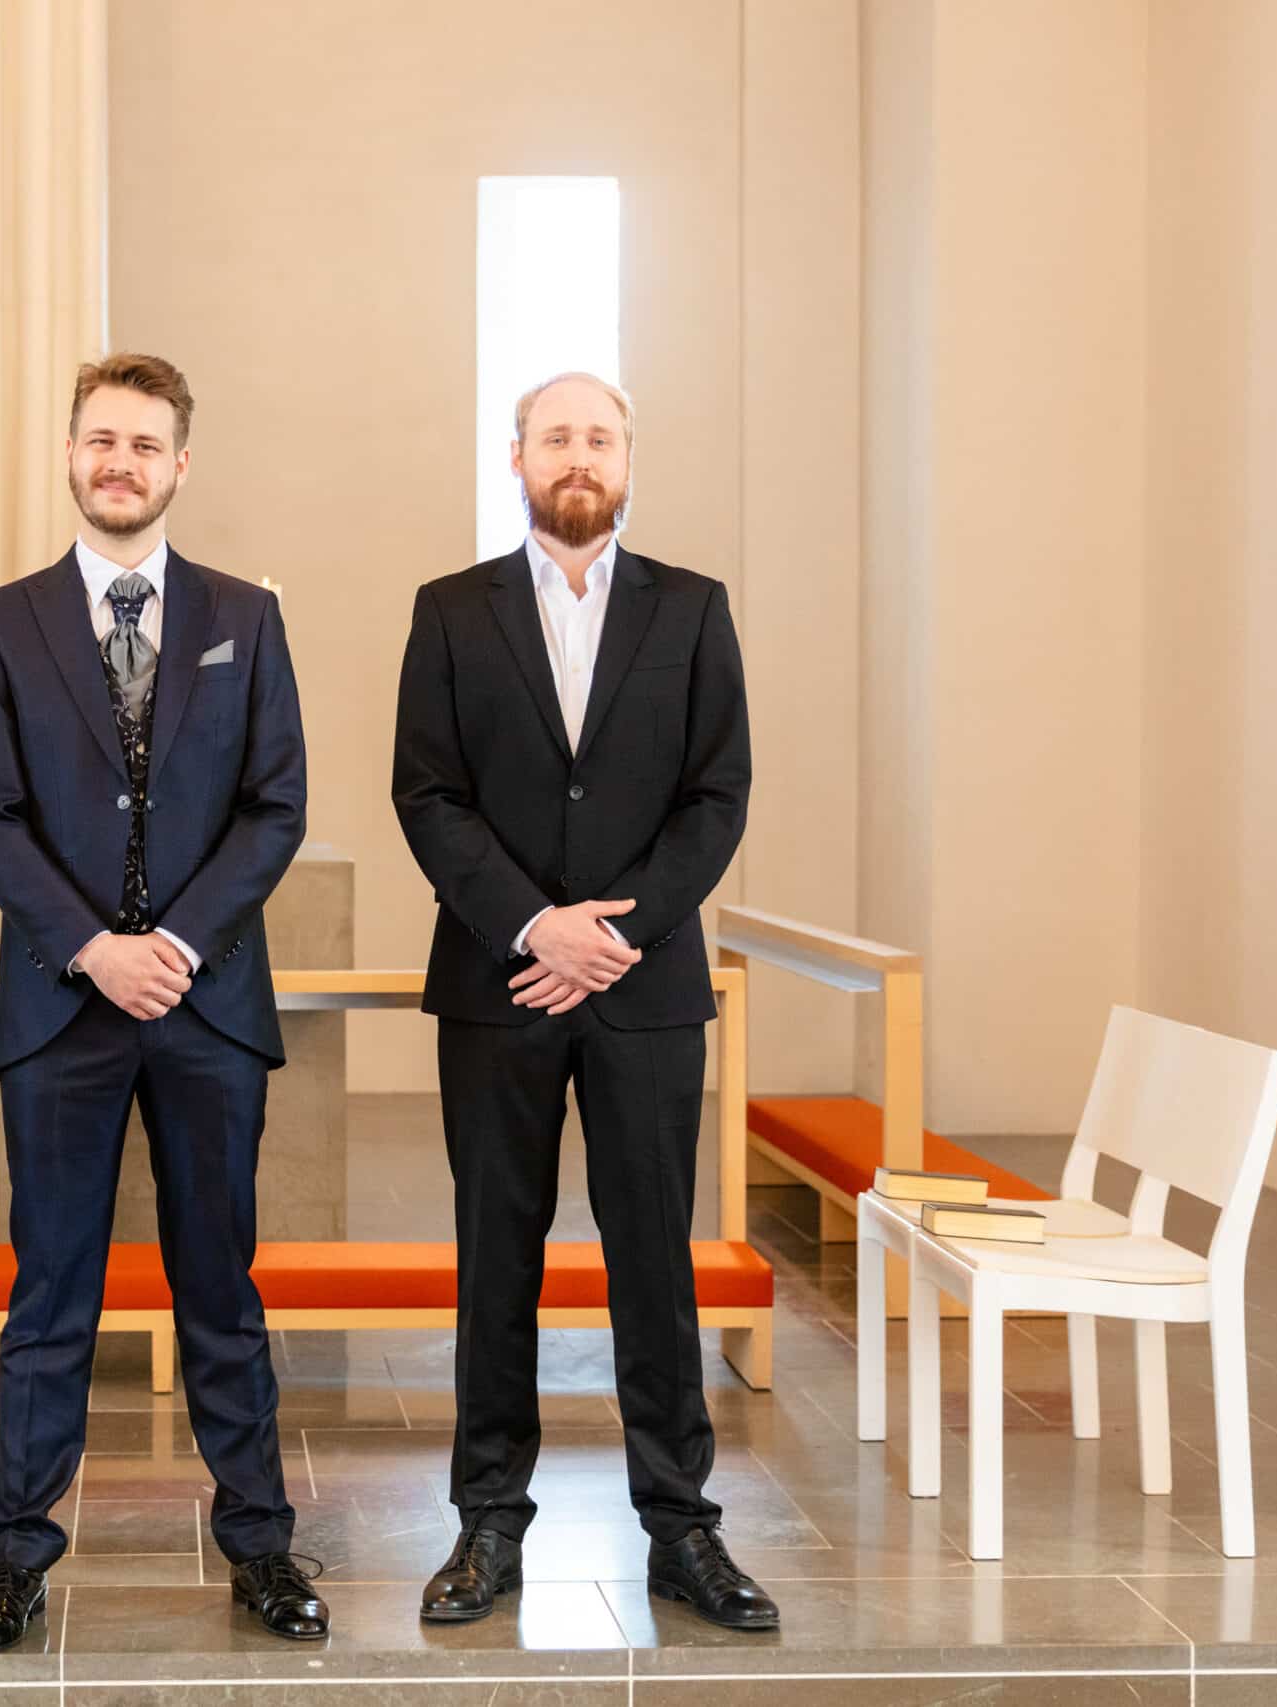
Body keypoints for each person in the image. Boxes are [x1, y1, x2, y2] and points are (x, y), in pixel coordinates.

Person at [0, 353, 325, 1651]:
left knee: (221, 1286)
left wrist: (174, 941)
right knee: (50, 1292)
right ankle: (14, 1557)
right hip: (63, 1010)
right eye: (101, 439)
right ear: (71, 453)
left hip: (206, 1006)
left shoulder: (244, 617)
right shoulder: (2, 622)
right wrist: (90, 949)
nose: (121, 462)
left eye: (145, 443)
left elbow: (276, 803)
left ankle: (262, 1544)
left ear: (180, 465)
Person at [389, 372, 775, 1631]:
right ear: (516, 457)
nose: (577, 456)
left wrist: (613, 934)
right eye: (555, 436)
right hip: (496, 980)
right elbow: (427, 792)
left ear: (626, 460)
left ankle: (681, 1527)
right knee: (494, 1257)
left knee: (652, 1259)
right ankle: (486, 1523)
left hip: (641, 987)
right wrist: (533, 924)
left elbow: (717, 793)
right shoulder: (450, 611)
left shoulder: (692, 609)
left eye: (598, 438)